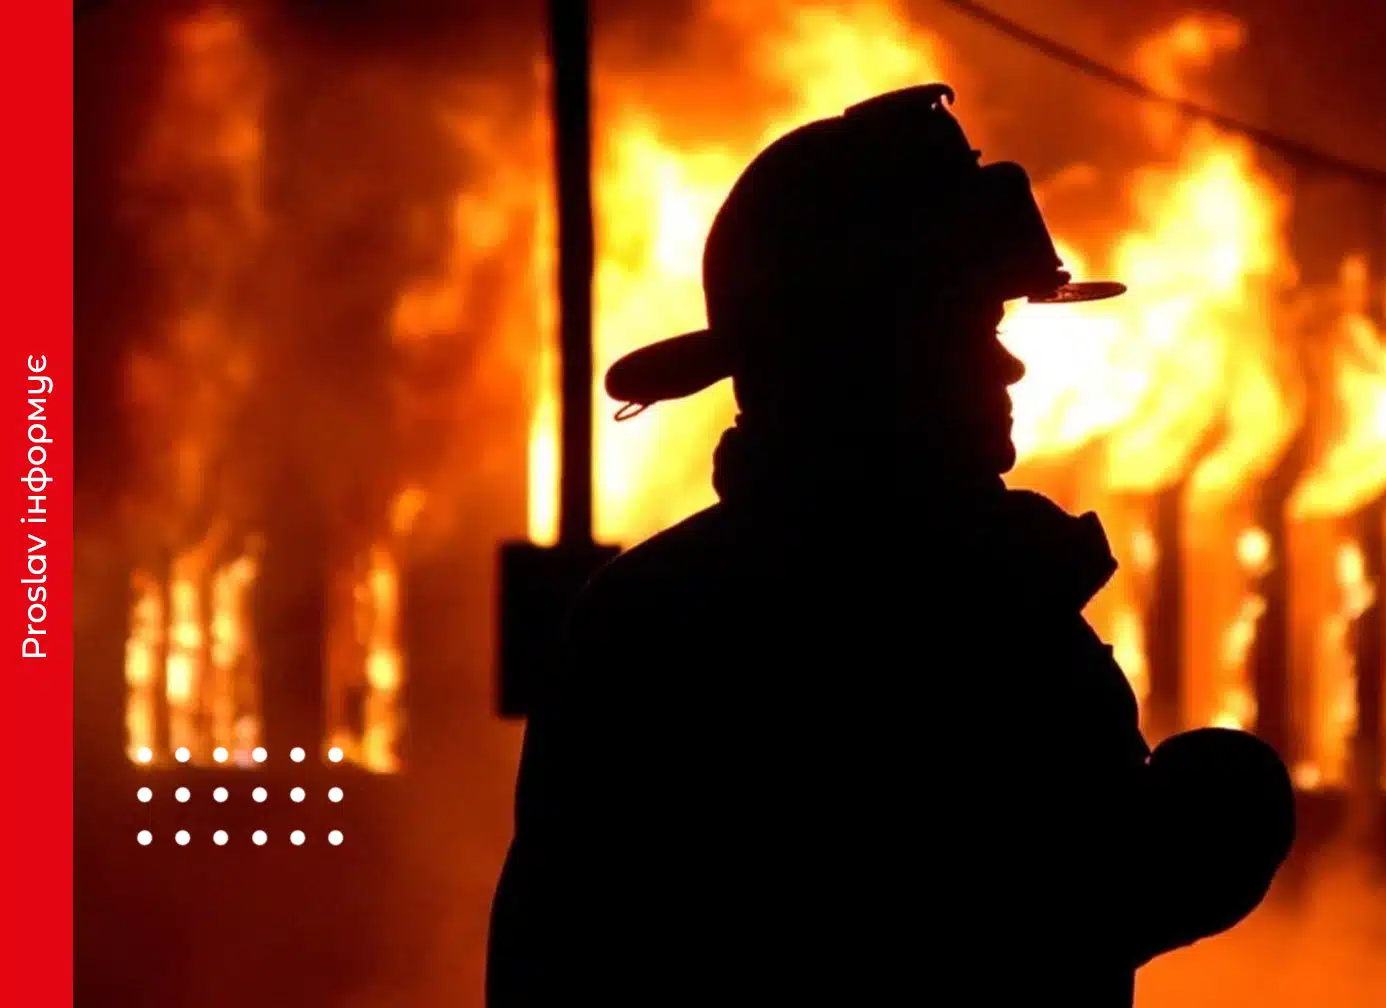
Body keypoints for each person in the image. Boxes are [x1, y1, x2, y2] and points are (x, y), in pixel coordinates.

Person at [486, 83, 1295, 1006]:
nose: (1009, 363)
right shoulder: (941, 620)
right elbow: (982, 915)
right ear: (864, 352)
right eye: (973, 327)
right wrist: (1212, 815)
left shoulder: (654, 607)